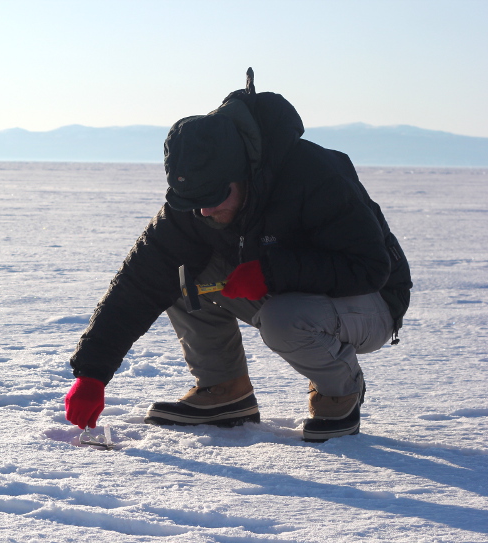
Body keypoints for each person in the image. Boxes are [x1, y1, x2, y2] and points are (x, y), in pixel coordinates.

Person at [64, 69, 412, 442]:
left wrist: (271, 274)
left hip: (370, 302)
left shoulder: (315, 175)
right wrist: (93, 374)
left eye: (212, 199)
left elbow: (370, 267)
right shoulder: (197, 199)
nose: (203, 212)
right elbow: (141, 280)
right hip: (291, 289)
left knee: (284, 318)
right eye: (192, 202)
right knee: (179, 278)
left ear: (242, 174)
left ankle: (341, 390)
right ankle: (225, 391)